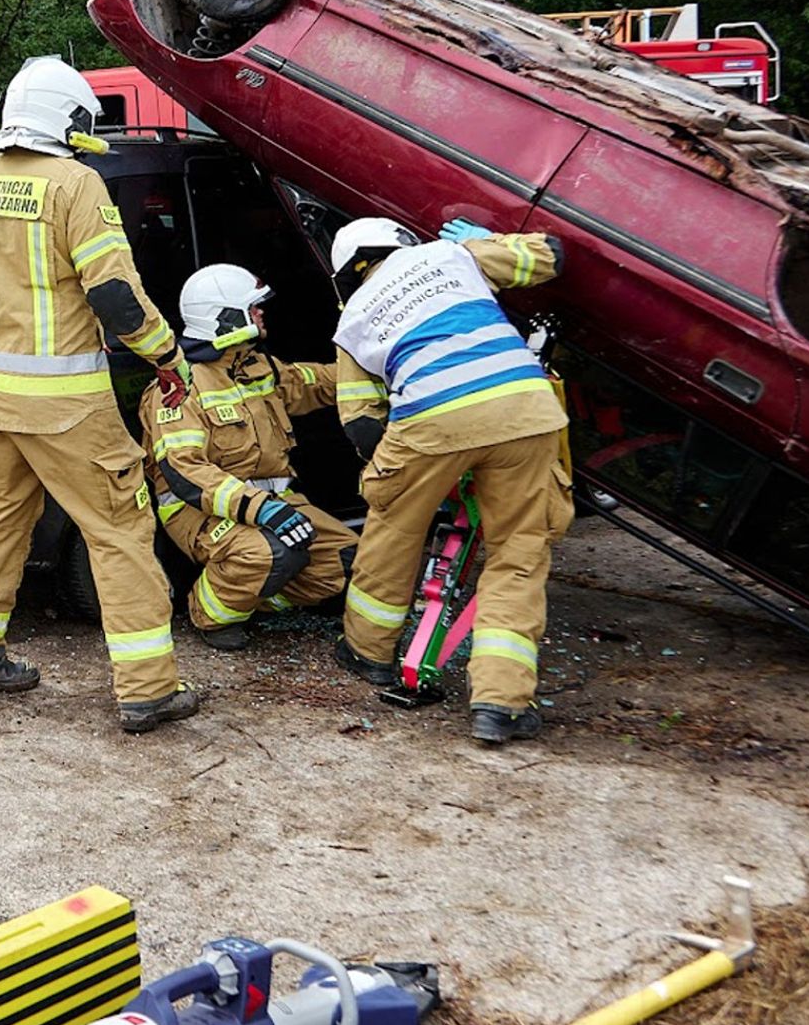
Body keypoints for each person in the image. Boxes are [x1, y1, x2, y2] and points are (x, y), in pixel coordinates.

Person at [0, 56, 199, 735]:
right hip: (63, 403)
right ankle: (148, 688)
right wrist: (167, 355)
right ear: (68, 120)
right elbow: (114, 295)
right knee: (119, 529)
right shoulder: (75, 184)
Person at [330, 215, 574, 744]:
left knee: (393, 529)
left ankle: (368, 653)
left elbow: (362, 422)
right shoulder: (450, 255)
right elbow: (551, 254)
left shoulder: (352, 318)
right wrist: (482, 242)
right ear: (401, 243)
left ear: (350, 272)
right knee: (518, 552)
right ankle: (500, 704)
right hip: (523, 408)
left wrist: (409, 478)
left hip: (429, 419)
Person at [140, 263, 354, 649]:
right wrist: (261, 510)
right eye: (253, 307)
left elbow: (315, 382)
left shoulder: (256, 367)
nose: (261, 313)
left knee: (346, 559)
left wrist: (380, 367)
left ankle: (252, 599)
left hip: (272, 503)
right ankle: (208, 615)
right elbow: (186, 471)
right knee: (268, 553)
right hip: (201, 512)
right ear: (224, 317)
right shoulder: (178, 386)